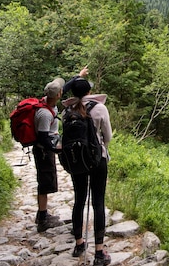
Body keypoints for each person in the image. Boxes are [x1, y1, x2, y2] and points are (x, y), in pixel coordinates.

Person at [63, 72, 113, 265]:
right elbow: (107, 137)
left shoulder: (67, 111)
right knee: (98, 202)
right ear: (90, 91)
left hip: (77, 161)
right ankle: (99, 252)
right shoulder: (100, 108)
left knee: (79, 200)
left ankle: (79, 243)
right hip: (97, 159)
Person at [33, 77, 65, 232]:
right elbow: (43, 137)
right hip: (43, 152)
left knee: (45, 182)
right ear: (58, 95)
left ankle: (41, 214)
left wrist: (79, 76)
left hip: (45, 151)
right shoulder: (45, 114)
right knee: (45, 183)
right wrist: (57, 149)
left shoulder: (48, 102)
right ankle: (43, 219)